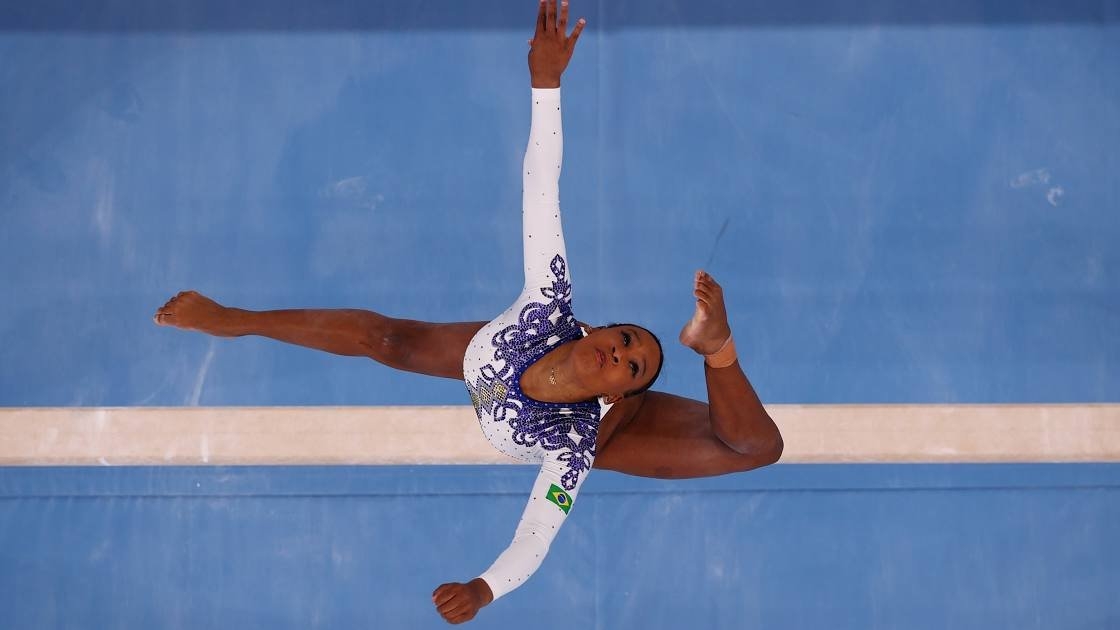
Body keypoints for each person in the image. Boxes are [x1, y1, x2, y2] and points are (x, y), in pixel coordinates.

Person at [154, 0, 782, 624]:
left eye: (632, 365)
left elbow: (537, 535)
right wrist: (546, 85)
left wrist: (484, 589)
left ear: (620, 391)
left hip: (585, 427)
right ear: (594, 329)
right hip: (493, 357)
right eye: (624, 339)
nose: (620, 353)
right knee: (387, 340)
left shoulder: (576, 444)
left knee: (757, 448)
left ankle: (714, 344)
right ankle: (232, 319)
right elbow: (542, 186)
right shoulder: (546, 302)